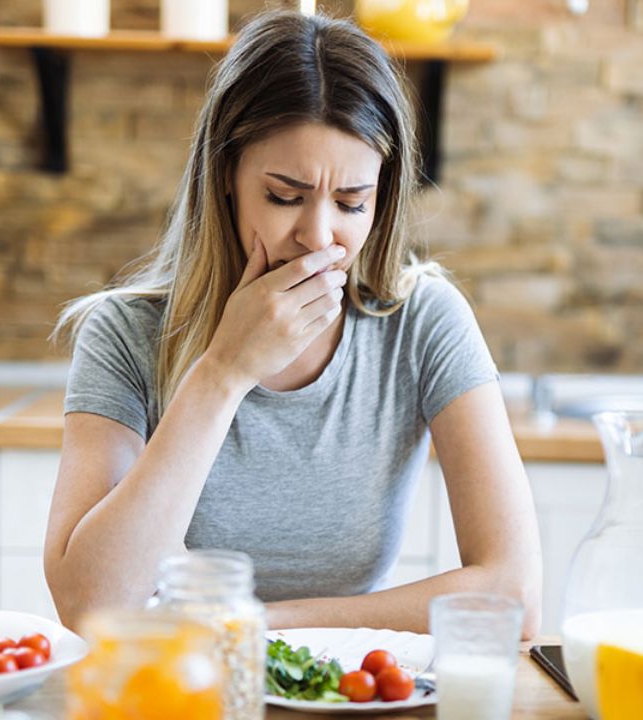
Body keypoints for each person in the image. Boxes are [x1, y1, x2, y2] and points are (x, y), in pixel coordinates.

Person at [44, 9, 542, 638]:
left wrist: (255, 626)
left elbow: (515, 595)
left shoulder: (423, 323)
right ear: (226, 176)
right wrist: (223, 371)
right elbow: (90, 606)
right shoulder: (123, 333)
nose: (318, 236)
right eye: (285, 196)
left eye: (352, 203)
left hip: (348, 692)